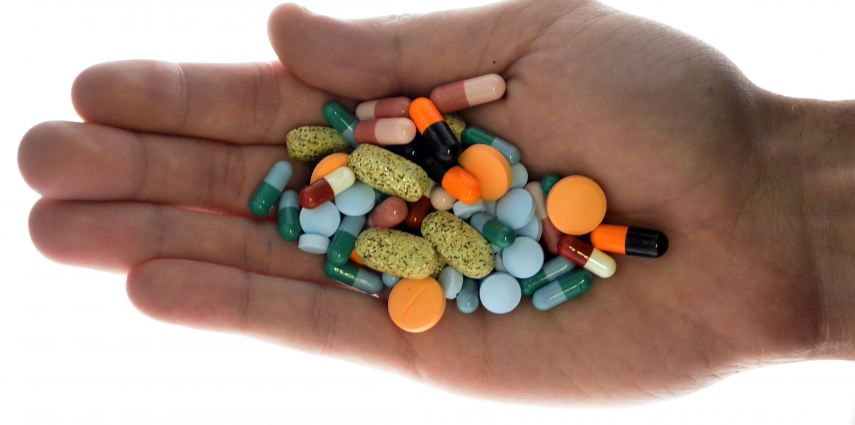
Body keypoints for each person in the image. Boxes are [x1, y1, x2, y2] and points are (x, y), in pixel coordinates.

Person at [16, 0, 854, 403]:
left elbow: (459, 215)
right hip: (469, 231)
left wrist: (770, 180)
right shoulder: (395, 189)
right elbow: (420, 213)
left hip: (490, 229)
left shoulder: (468, 201)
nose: (388, 210)